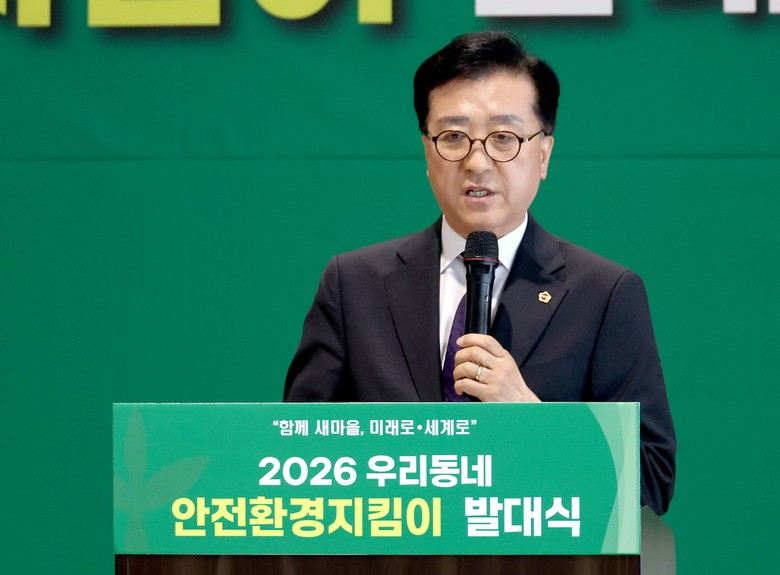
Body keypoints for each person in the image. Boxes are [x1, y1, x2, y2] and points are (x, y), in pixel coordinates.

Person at [284, 31, 676, 515]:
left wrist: (533, 421)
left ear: (543, 154)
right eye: (453, 137)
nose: (476, 162)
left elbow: (652, 479)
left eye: (504, 138)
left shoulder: (604, 294)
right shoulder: (354, 285)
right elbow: (295, 458)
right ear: (426, 152)